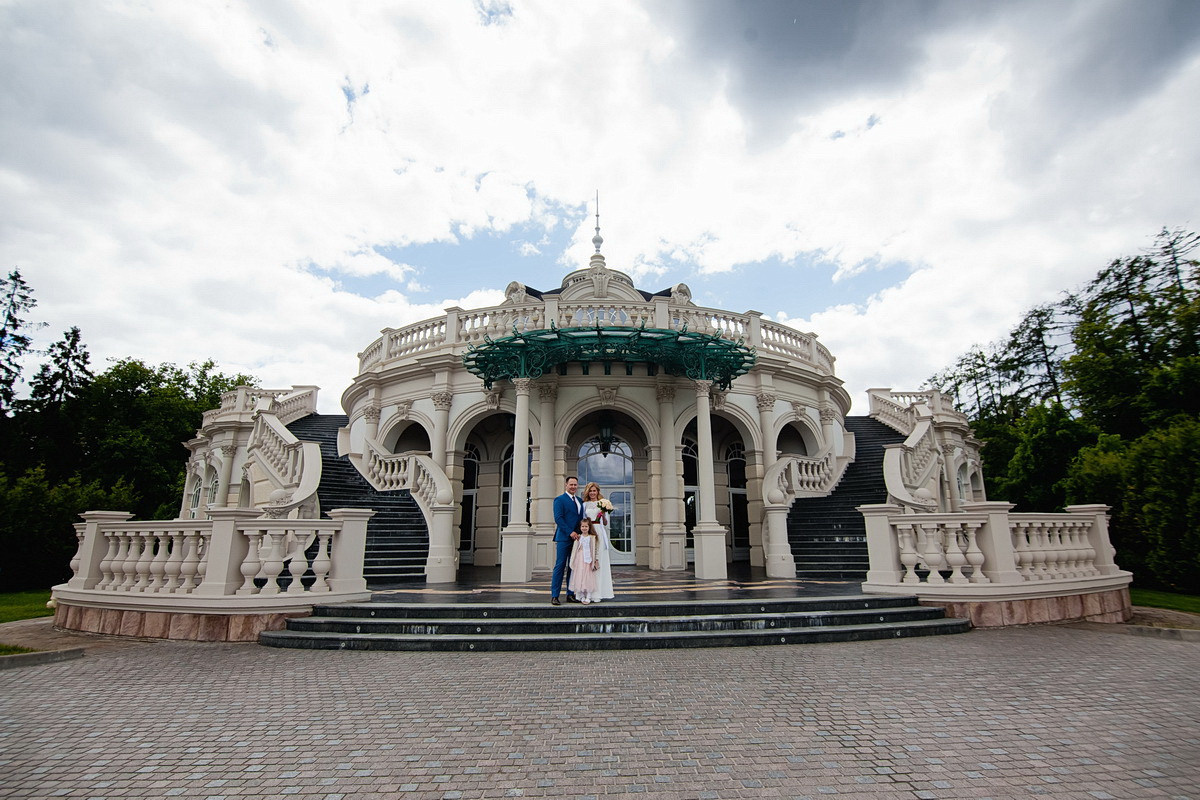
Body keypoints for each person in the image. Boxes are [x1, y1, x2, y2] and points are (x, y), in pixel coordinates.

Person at [550, 476, 583, 605]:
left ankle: (570, 594)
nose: (573, 487)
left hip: (577, 539)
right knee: (560, 566)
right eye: (571, 484)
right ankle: (555, 595)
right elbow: (558, 518)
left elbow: (581, 519)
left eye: (575, 485)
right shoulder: (559, 500)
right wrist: (570, 532)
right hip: (564, 538)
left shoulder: (580, 500)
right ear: (566, 485)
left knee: (573, 567)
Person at [581, 481, 615, 602]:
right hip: (589, 532)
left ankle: (599, 592)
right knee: (588, 562)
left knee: (599, 561)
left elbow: (606, 523)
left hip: (599, 532)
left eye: (594, 491)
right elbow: (582, 520)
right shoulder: (584, 505)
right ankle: (587, 591)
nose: (592, 493)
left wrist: (604, 515)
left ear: (597, 492)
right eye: (590, 491)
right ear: (587, 492)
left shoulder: (602, 504)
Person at [568, 518, 601, 603]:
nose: (584, 528)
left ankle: (589, 595)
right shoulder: (578, 537)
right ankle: (582, 595)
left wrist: (596, 559)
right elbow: (575, 549)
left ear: (589, 527)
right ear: (580, 527)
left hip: (588, 560)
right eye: (582, 526)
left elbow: (595, 550)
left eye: (586, 526)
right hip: (579, 559)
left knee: (588, 577)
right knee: (580, 576)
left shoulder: (592, 538)